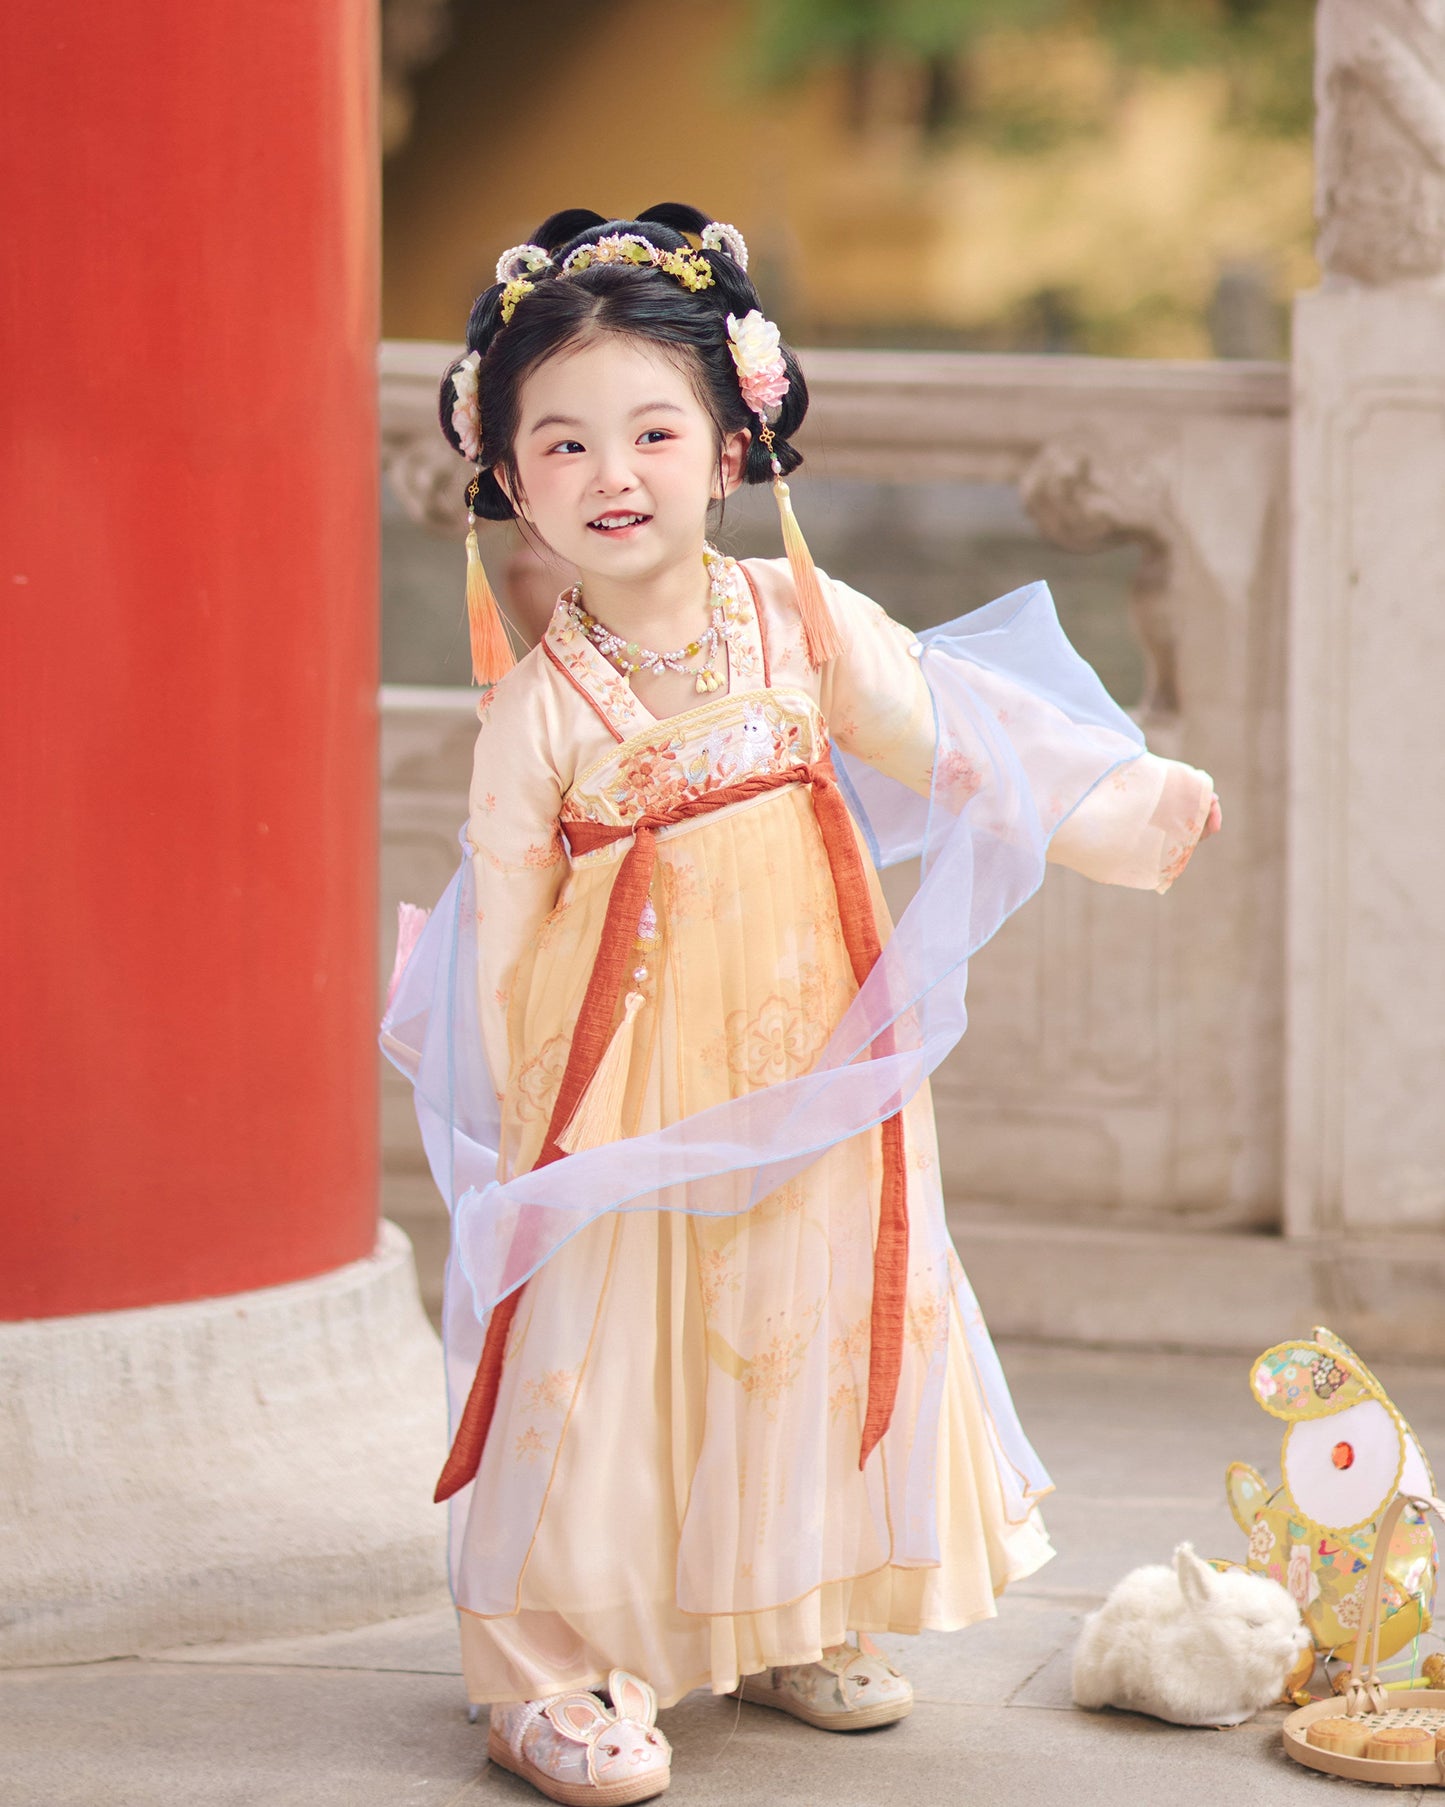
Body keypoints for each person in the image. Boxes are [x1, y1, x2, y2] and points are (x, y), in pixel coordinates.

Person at [382, 203, 1221, 1806]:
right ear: (500, 470)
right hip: (625, 1078)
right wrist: (516, 1130)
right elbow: (504, 918)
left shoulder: (795, 619)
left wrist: (1111, 803)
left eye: (650, 429)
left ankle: (784, 1608)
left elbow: (957, 732)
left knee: (804, 1318)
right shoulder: (541, 704)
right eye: (557, 443)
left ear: (729, 439)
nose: (609, 473)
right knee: (612, 1337)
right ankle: (552, 1667)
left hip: (815, 1054)